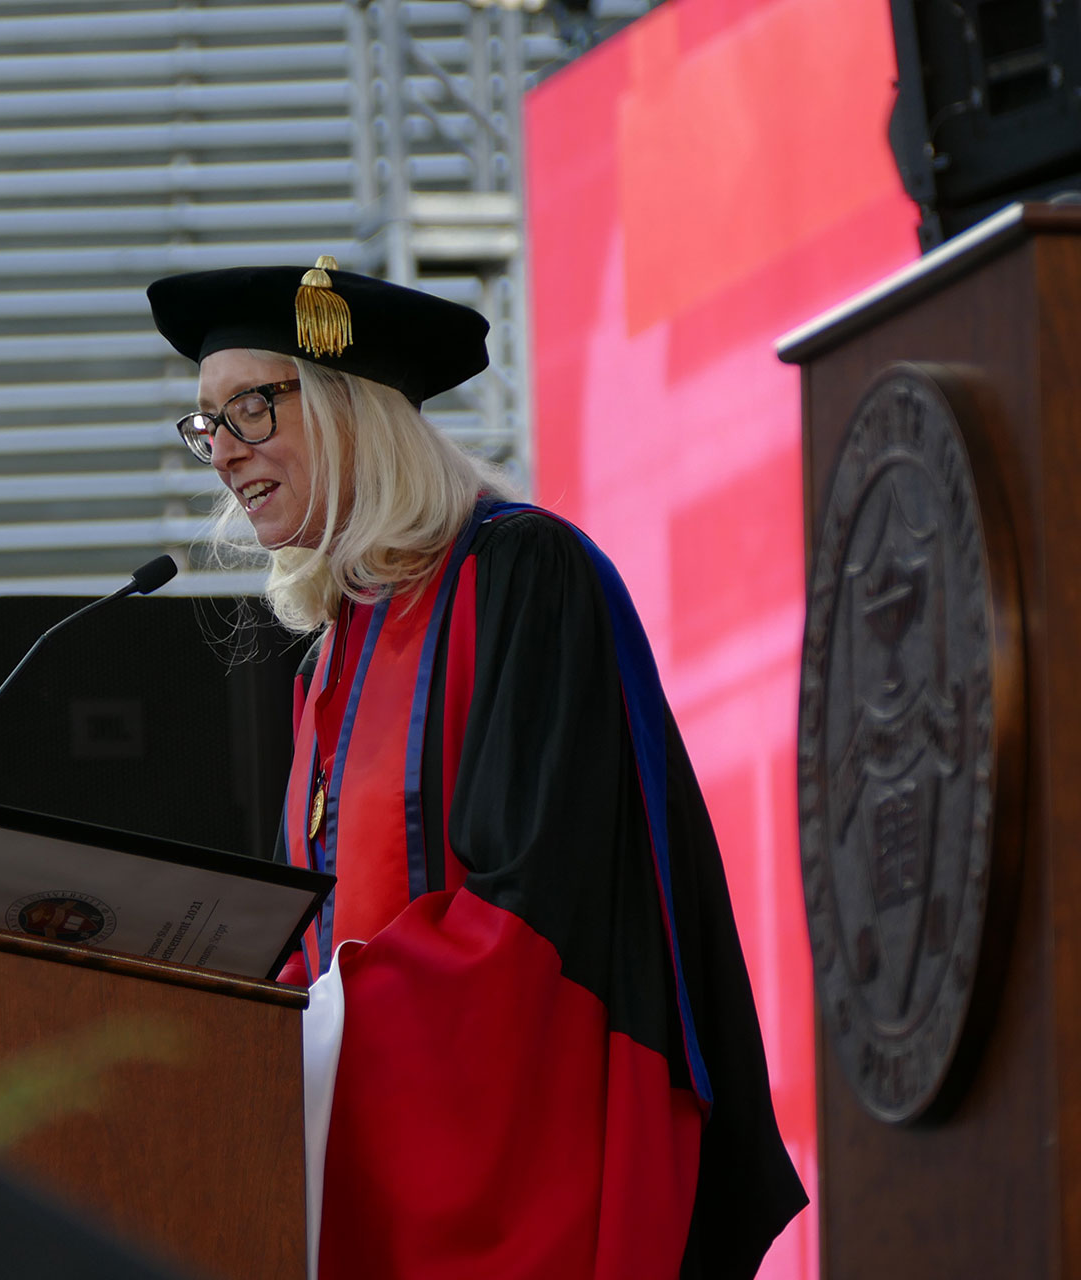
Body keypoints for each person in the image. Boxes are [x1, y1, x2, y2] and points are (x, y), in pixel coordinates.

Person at [147, 258, 805, 1279]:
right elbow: (318, 934)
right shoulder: (333, 654)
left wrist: (315, 1029)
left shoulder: (521, 574)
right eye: (206, 425)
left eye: (250, 409)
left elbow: (539, 918)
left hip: (515, 1161)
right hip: (368, 1159)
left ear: (349, 404)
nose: (224, 453)